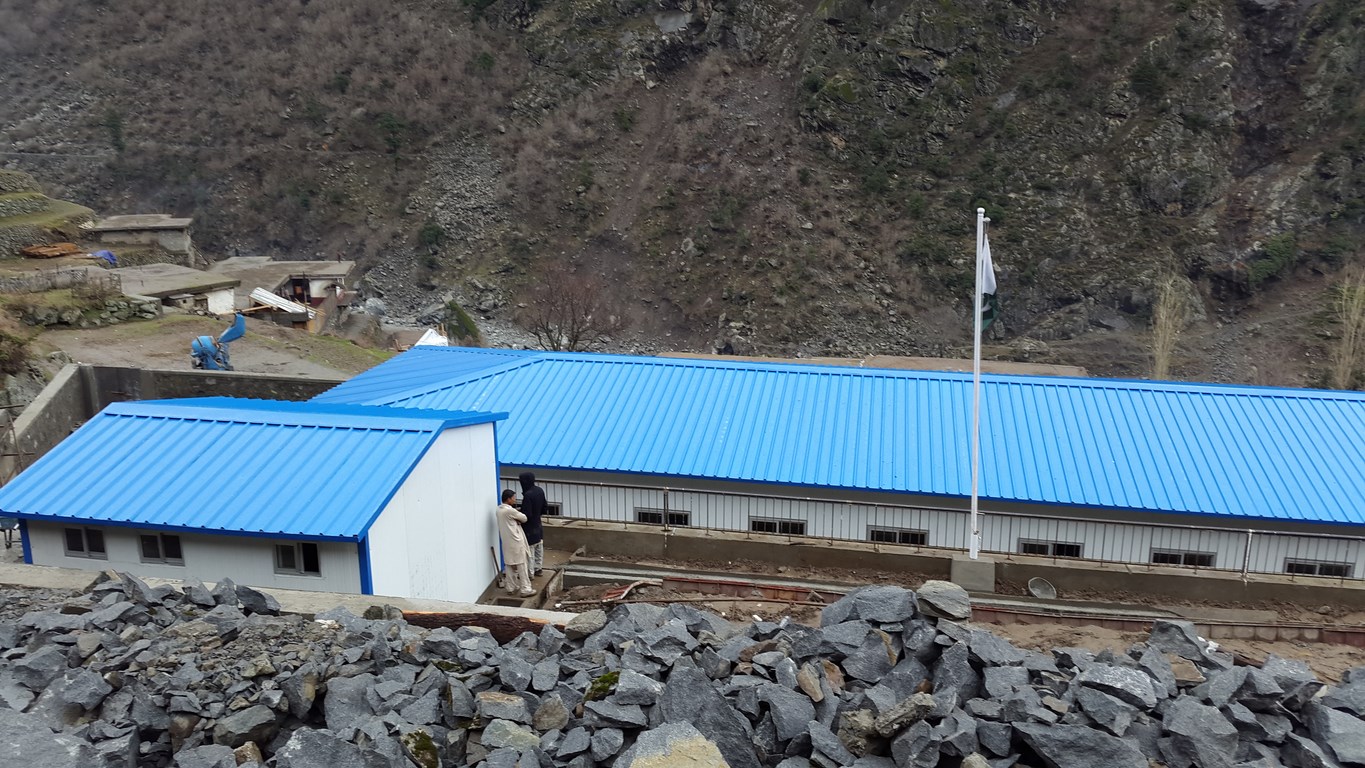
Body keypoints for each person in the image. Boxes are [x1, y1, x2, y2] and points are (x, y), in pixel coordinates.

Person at [495, 489, 534, 597]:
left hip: (506, 541)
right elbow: (524, 518)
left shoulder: (498, 510)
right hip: (516, 541)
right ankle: (525, 588)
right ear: (508, 499)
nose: (515, 499)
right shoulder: (510, 511)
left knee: (509, 565)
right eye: (513, 498)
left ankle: (511, 587)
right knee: (521, 565)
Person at [518, 472, 547, 577]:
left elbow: (527, 514)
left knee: (530, 551)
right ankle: (538, 569)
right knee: (539, 547)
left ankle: (530, 573)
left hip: (529, 528)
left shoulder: (527, 495)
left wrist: (518, 515)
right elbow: (545, 507)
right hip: (538, 525)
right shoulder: (539, 490)